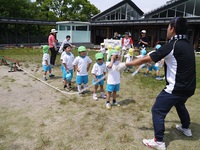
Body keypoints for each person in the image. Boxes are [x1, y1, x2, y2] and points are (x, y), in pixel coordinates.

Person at [117, 17, 196, 150]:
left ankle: (158, 141)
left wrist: (125, 64)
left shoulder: (172, 45)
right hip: (189, 87)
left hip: (176, 87)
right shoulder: (188, 44)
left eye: (168, 27)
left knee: (157, 110)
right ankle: (185, 127)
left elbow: (146, 59)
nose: (167, 30)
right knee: (180, 103)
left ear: (172, 29)